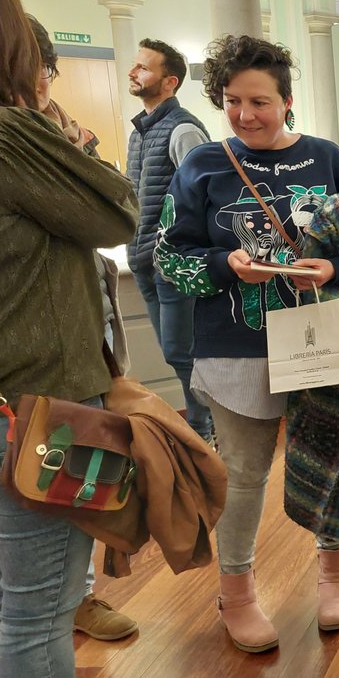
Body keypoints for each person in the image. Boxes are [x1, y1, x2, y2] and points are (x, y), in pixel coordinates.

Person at [0, 0, 173, 678]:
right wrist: (44, 117)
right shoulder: (0, 132)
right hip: (34, 406)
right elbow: (118, 210)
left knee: (1, 579)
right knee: (41, 602)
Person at [155, 34, 339, 652]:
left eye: (259, 101)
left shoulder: (326, 158)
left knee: (334, 459)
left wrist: (338, 270)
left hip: (323, 338)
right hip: (235, 347)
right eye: (232, 101)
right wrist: (227, 264)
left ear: (288, 100)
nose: (245, 115)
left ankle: (335, 576)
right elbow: (170, 259)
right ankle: (237, 595)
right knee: (245, 475)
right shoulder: (201, 165)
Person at [28, 13, 140, 644]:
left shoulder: (53, 135)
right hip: (42, 362)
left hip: (70, 339)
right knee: (48, 528)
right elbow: (116, 211)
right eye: (47, 69)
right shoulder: (23, 141)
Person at [126, 38, 213, 442]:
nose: (133, 71)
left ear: (170, 81)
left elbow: (208, 195)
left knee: (185, 354)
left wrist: (173, 250)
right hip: (144, 261)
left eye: (144, 67)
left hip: (174, 266)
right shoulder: (139, 133)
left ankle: (204, 432)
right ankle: (203, 430)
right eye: (135, 65)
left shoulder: (183, 129)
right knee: (175, 354)